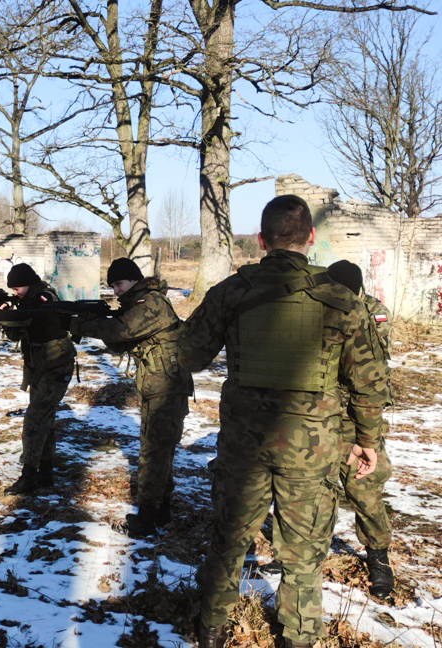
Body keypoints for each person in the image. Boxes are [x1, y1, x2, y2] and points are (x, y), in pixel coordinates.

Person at [178, 195, 389, 648]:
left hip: (244, 449)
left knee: (229, 543)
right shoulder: (341, 300)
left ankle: (211, 630)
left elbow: (189, 355)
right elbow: (370, 383)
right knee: (304, 556)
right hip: (312, 452)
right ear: (310, 237)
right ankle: (299, 637)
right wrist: (367, 440)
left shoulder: (231, 292)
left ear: (261, 240)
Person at [71, 258, 192, 537]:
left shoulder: (151, 303)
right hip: (157, 385)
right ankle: (160, 510)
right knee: (159, 449)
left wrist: (80, 325)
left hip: (167, 388)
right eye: (112, 286)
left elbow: (119, 330)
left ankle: (147, 518)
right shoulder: (138, 304)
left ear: (135, 280)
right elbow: (118, 343)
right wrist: (90, 321)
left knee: (154, 451)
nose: (116, 291)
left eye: (120, 284)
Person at [0, 263, 76, 494]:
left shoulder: (44, 297)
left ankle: (29, 476)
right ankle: (45, 473)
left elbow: (24, 319)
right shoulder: (27, 300)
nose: (15, 293)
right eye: (12, 289)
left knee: (35, 418)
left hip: (56, 365)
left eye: (17, 288)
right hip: (40, 366)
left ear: (29, 283)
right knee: (45, 420)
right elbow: (15, 333)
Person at [328, 260, 395, 598]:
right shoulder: (319, 310)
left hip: (358, 417)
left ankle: (378, 557)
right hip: (322, 415)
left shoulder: (373, 313)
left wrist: (366, 434)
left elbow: (369, 377)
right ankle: (302, 553)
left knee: (364, 488)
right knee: (313, 487)